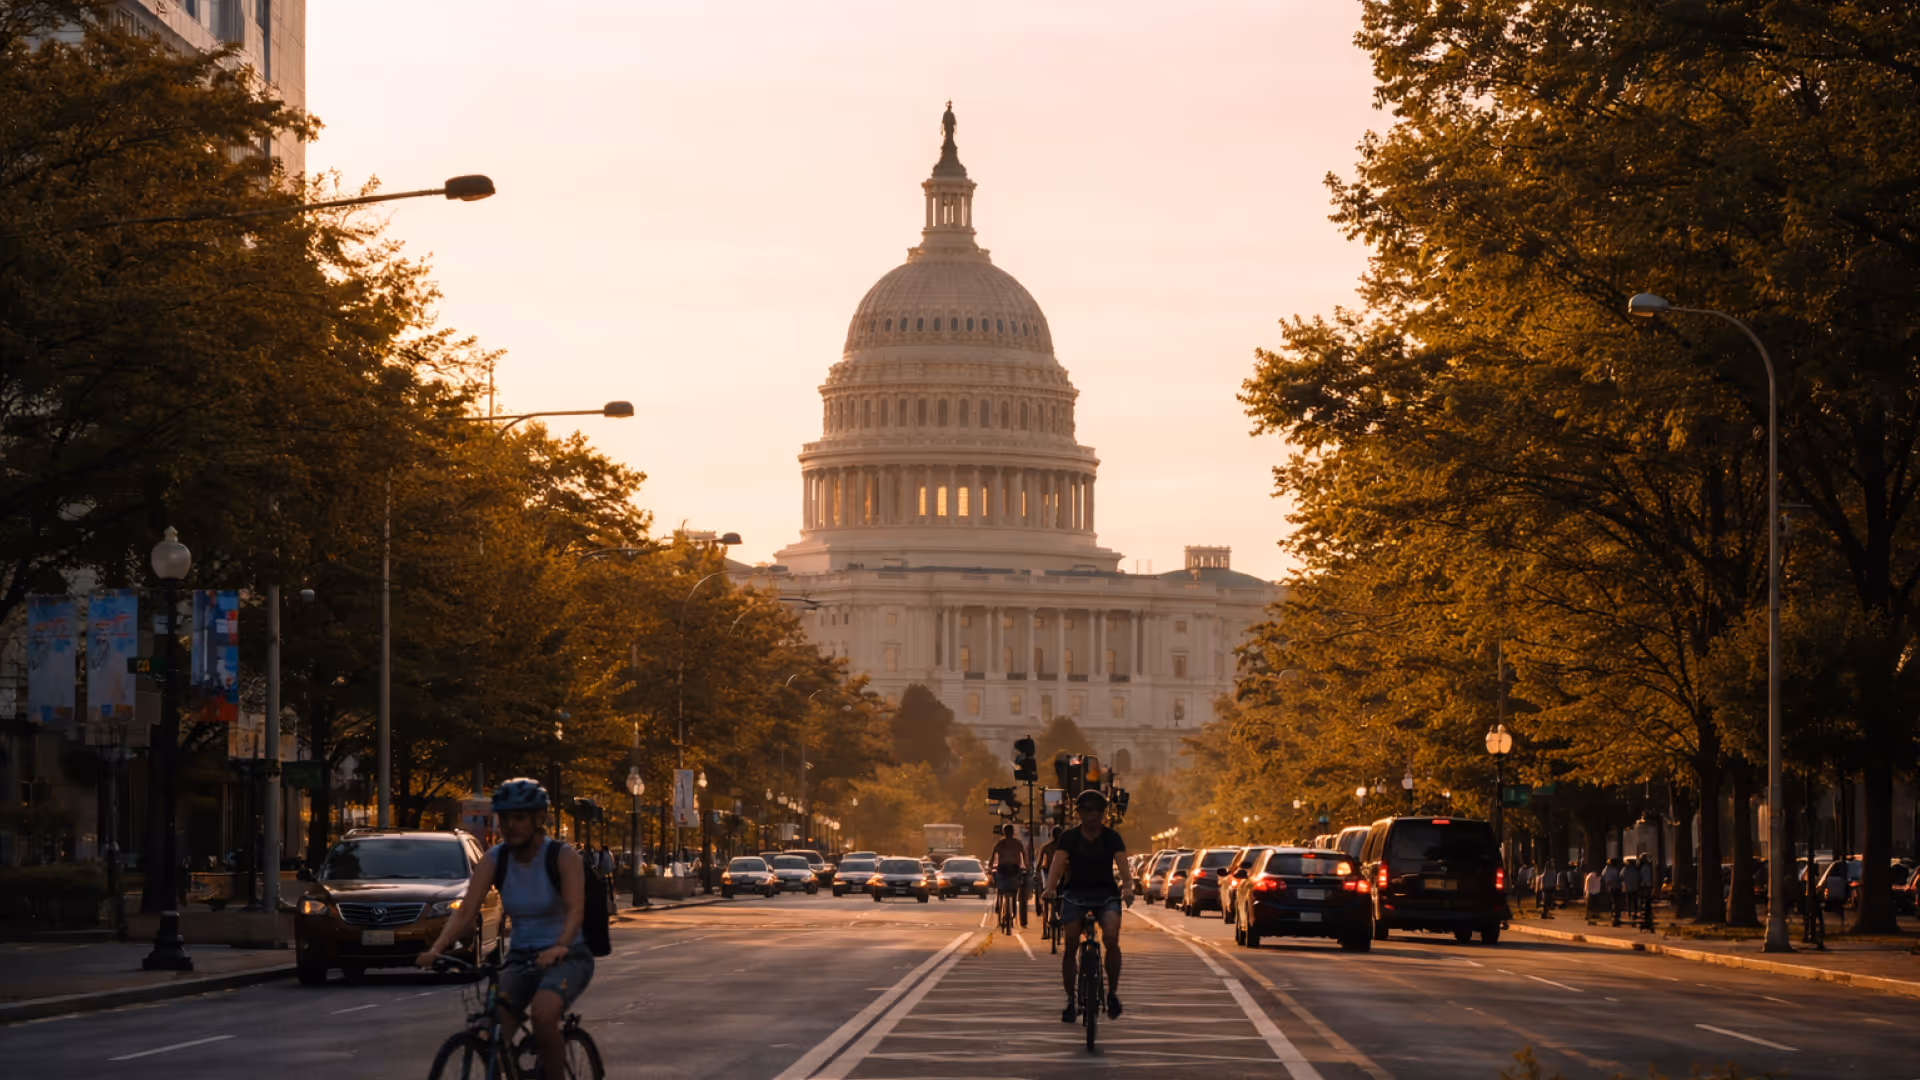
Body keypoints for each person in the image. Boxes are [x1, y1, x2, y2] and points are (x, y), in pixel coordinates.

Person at [419, 779, 591, 1080]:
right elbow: (465, 913)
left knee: (542, 1015)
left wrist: (560, 945)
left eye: (519, 817)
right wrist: (437, 949)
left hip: (568, 957)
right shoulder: (494, 859)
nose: (509, 826)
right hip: (521, 958)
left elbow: (575, 910)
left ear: (539, 819)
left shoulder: (563, 857)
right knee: (491, 1031)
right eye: (504, 818)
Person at [1042, 789, 1134, 1023]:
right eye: (1088, 810)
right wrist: (1050, 887)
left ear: (1104, 814)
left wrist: (1127, 887)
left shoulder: (1112, 837)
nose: (1093, 814)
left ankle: (1112, 993)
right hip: (1075, 894)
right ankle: (1071, 999)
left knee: (1111, 938)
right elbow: (1058, 864)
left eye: (1098, 810)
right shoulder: (1069, 838)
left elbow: (1123, 867)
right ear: (1079, 813)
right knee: (1071, 942)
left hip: (1106, 896)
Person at [988, 823, 1029, 928]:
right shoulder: (1017, 843)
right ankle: (1012, 909)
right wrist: (1026, 866)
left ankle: (999, 901)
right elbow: (1024, 856)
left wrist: (990, 867)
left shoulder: (1000, 843)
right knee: (1014, 889)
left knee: (1000, 886)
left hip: (1003, 868)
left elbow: (993, 856)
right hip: (1014, 868)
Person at [1034, 826, 1065, 927]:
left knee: (1046, 898)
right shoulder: (1067, 848)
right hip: (1062, 876)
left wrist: (1036, 874)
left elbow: (1039, 866)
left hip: (1049, 876)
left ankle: (1045, 925)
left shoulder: (1046, 847)